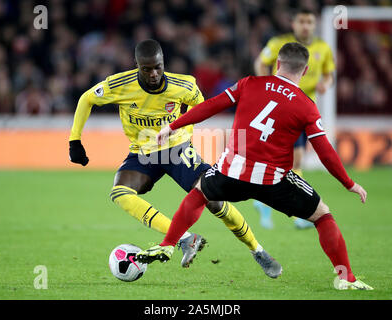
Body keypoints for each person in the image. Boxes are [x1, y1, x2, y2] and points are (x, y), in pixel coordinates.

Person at [137, 42, 373, 290]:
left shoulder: (250, 83)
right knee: (322, 215)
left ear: (277, 64)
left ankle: (167, 244)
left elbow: (212, 105)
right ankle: (346, 279)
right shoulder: (306, 106)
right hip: (272, 182)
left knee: (200, 192)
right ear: (304, 72)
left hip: (231, 173)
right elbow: (325, 151)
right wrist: (349, 183)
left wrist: (172, 126)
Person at [69, 39, 265, 268]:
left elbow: (199, 105)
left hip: (177, 149)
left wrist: (186, 131)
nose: (153, 73)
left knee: (215, 201)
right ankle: (184, 238)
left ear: (163, 63)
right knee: (120, 192)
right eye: (146, 69)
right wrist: (75, 140)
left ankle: (257, 249)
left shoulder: (184, 85)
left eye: (157, 67)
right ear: (137, 66)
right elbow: (87, 98)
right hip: (143, 151)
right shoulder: (120, 84)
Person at [253, 8, 335, 229]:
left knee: (289, 160)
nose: (306, 26)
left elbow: (329, 74)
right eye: (302, 21)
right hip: (283, 108)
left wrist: (325, 85)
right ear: (294, 24)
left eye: (309, 21)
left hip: (305, 110)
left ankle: (266, 204)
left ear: (314, 24)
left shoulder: (323, 48)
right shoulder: (279, 43)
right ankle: (297, 212)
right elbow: (261, 62)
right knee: (293, 159)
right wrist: (267, 87)